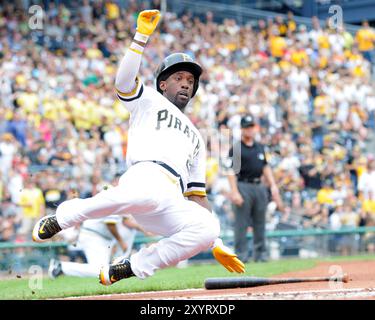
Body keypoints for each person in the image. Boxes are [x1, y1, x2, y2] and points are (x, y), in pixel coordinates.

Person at [32, 9, 244, 285]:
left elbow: (197, 197)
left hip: (170, 200)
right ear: (163, 83)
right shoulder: (149, 100)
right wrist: (140, 37)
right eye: (179, 78)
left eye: (190, 81)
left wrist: (215, 241)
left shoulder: (196, 136)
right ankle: (63, 217)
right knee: (146, 195)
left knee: (208, 225)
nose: (186, 84)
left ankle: (132, 266)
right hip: (145, 175)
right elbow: (122, 82)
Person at [227, 114, 283, 262]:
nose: (249, 130)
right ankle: (241, 258)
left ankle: (261, 256)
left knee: (260, 223)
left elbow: (265, 167)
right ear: (241, 129)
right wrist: (234, 192)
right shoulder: (237, 148)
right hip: (243, 185)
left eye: (251, 126)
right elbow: (231, 172)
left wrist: (273, 185)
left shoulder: (259, 147)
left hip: (259, 186)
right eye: (246, 127)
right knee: (241, 224)